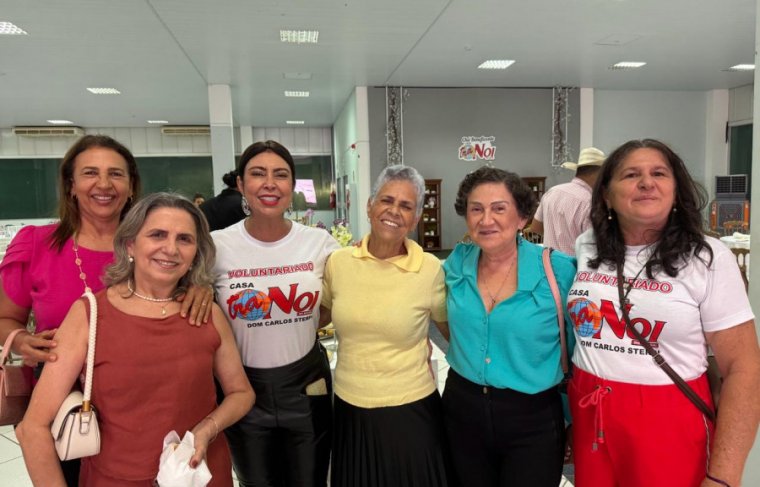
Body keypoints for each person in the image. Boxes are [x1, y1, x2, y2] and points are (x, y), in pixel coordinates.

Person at [0, 135, 211, 486]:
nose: (103, 184)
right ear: (70, 185)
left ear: (131, 187)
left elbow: (179, 293)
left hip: (147, 404)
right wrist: (21, 340)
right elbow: (5, 318)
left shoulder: (158, 245)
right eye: (90, 173)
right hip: (66, 408)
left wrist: (199, 288)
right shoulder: (37, 244)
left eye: (115, 174)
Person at [17, 192, 255, 486]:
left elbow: (241, 393)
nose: (171, 249)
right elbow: (33, 427)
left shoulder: (206, 313)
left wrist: (206, 430)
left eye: (184, 239)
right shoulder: (90, 314)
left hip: (201, 474)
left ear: (196, 253)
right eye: (157, 235)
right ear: (130, 243)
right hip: (116, 479)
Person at [567, 139, 760, 487]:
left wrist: (724, 476)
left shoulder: (708, 257)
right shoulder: (587, 245)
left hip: (669, 420)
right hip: (591, 416)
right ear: (607, 195)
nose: (646, 183)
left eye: (659, 173)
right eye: (631, 175)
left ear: (676, 191)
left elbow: (744, 369)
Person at [211, 140, 340, 487]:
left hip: (307, 387)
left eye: (280, 175)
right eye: (258, 174)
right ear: (241, 184)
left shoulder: (320, 243)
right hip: (243, 392)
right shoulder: (216, 246)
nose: (270, 183)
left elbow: (338, 303)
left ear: (292, 185)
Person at [320, 165, 453, 487]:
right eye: (386, 200)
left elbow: (455, 336)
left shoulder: (430, 270)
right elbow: (315, 318)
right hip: (351, 408)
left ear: (416, 218)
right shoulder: (339, 263)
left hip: (411, 411)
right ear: (369, 206)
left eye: (406, 206)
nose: (394, 211)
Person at [442, 166, 576, 487]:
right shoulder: (455, 264)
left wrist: (576, 419)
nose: (486, 220)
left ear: (522, 217)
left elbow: (578, 348)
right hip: (462, 410)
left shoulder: (558, 270)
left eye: (499, 208)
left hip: (532, 418)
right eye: (476, 209)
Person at [528, 147, 605, 255]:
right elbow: (596, 247)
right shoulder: (590, 202)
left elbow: (535, 228)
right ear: (599, 174)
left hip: (548, 262)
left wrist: (556, 237)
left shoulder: (552, 192)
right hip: (575, 264)